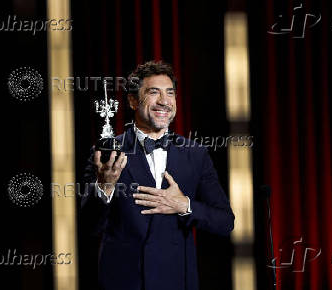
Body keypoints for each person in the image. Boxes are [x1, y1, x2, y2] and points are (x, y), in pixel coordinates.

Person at [81, 60, 235, 290]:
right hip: (123, 282)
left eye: (170, 93)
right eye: (154, 92)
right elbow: (87, 226)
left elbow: (225, 221)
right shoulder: (106, 152)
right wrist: (105, 187)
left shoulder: (195, 154)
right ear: (133, 100)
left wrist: (185, 205)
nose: (164, 101)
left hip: (177, 281)